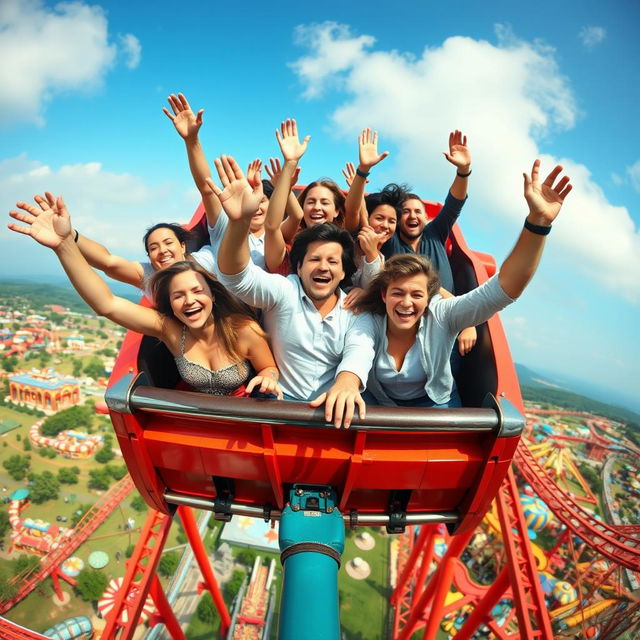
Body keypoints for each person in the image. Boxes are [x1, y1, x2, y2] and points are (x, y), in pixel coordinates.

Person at [8, 195, 283, 399]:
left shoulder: (243, 331)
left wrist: (269, 376)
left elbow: (268, 367)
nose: (189, 301)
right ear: (168, 303)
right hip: (196, 421)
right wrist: (65, 245)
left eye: (197, 291)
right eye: (178, 296)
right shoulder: (172, 330)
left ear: (213, 294)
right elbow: (108, 303)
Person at [348, 160, 572, 409]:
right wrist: (347, 382)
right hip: (379, 401)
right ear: (383, 294)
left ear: (430, 296)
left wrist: (538, 223)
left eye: (417, 294)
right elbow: (357, 352)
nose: (407, 302)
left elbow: (504, 288)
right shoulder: (373, 312)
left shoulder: (440, 307)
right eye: (398, 292)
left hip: (435, 397)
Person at [207, 155, 374, 428]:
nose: (323, 267)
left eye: (333, 261)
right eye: (314, 260)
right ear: (298, 265)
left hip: (331, 414)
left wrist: (347, 382)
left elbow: (361, 349)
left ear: (344, 272)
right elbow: (235, 276)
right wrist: (239, 223)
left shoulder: (354, 309)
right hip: (278, 406)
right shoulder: (285, 290)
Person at [343, 129, 477, 356]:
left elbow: (455, 202)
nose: (412, 216)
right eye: (405, 212)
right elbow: (361, 216)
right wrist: (361, 176)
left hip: (443, 320)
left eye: (418, 212)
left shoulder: (436, 232)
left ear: (427, 217)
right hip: (403, 319)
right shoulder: (388, 241)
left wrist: (463, 171)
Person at [164, 93, 294, 271]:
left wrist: (288, 170)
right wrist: (191, 141)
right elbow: (206, 188)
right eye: (248, 199)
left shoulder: (275, 235)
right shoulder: (225, 227)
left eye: (261, 200)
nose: (255, 206)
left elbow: (294, 218)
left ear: (273, 205)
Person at [262, 118, 346, 273]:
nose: (317, 207)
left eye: (325, 202)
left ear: (336, 211)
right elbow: (272, 226)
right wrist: (290, 164)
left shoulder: (345, 248)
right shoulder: (288, 252)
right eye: (311, 202)